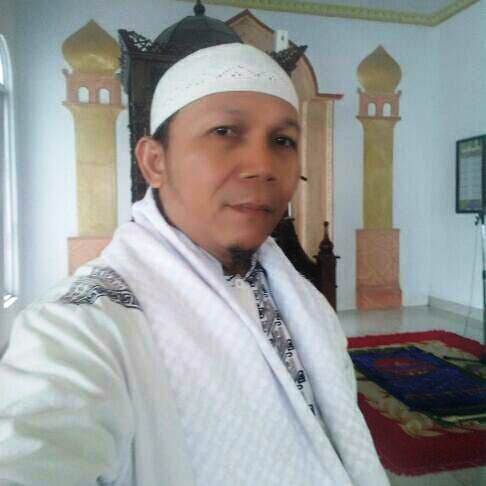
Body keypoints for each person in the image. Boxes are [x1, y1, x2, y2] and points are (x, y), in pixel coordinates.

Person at [0, 43, 389, 486]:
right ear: (154, 162)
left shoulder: (298, 295)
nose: (263, 166)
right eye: (225, 132)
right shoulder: (85, 323)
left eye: (282, 141)